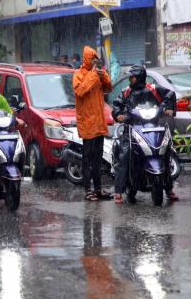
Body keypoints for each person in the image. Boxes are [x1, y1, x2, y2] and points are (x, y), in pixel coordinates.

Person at [111, 64, 177, 204]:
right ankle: (119, 191)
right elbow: (116, 104)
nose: (130, 79)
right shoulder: (126, 92)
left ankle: (169, 189)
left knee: (165, 152)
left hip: (153, 127)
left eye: (133, 77)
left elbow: (170, 95)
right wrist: (119, 115)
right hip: (131, 128)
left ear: (139, 77)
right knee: (124, 155)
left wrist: (168, 108)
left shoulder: (153, 89)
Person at [73, 46, 113, 201]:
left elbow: (108, 88)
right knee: (87, 159)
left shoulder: (96, 74)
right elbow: (80, 91)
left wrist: (104, 77)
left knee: (97, 159)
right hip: (88, 124)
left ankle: (98, 189)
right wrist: (93, 75)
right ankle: (87, 190)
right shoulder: (78, 74)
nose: (94, 62)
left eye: (95, 60)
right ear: (86, 59)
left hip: (99, 123)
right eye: (92, 59)